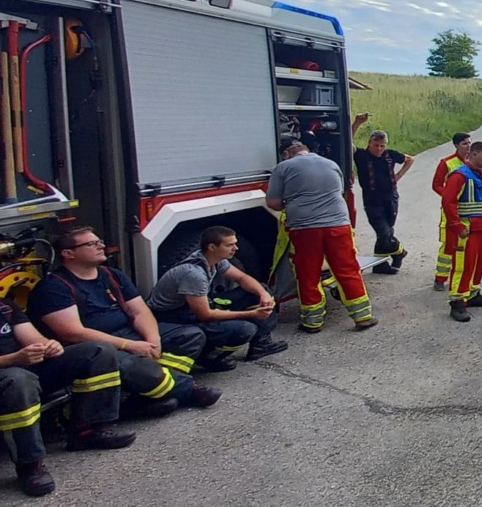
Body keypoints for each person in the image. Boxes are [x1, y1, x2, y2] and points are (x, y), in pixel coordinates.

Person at [28, 227, 220, 416]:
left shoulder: (112, 275)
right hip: (97, 346)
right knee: (136, 366)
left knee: (189, 336)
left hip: (128, 333)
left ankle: (145, 397)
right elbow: (73, 332)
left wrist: (154, 340)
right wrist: (130, 345)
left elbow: (140, 311)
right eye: (91, 244)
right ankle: (188, 390)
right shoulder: (54, 287)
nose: (100, 246)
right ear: (68, 253)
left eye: (99, 241)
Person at [0, 299, 135, 497]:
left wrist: (49, 346)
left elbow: (33, 338)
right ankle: (30, 465)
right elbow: (15, 362)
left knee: (98, 351)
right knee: (18, 381)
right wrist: (13, 359)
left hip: (23, 367)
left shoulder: (5, 306)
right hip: (12, 376)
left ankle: (87, 430)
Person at [267, 135, 377, 332]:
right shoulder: (331, 164)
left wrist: (292, 201)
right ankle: (363, 317)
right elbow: (339, 189)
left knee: (308, 273)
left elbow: (273, 203)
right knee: (347, 269)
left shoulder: (282, 168)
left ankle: (312, 322)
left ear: (286, 154)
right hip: (339, 225)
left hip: (305, 228)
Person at [146, 226, 288, 372]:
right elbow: (204, 315)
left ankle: (261, 345)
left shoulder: (214, 259)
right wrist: (251, 314)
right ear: (212, 247)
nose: (236, 248)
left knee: (260, 290)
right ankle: (206, 356)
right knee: (243, 329)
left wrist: (263, 294)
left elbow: (241, 277)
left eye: (235, 243)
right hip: (172, 316)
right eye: (230, 245)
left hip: (195, 305)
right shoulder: (193, 274)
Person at [441, 141, 482, 322]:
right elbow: (448, 202)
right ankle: (457, 303)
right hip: (466, 231)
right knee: (463, 266)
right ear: (473, 154)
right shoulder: (459, 175)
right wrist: (458, 227)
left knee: (480, 262)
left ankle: (473, 294)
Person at [351, 125, 414, 275]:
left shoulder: (390, 154)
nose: (379, 149)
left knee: (387, 230)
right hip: (372, 199)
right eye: (376, 145)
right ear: (369, 143)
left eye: (382, 146)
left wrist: (398, 176)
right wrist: (356, 123)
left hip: (391, 197)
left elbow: (410, 159)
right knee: (384, 232)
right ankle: (399, 252)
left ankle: (381, 264)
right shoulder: (361, 155)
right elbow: (347, 141)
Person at [431, 132, 472, 291]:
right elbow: (436, 184)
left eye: (469, 143)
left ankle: (461, 278)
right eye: (464, 143)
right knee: (449, 245)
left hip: (469, 211)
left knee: (467, 246)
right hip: (451, 210)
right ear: (456, 146)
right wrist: (450, 196)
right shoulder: (447, 163)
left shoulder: (474, 162)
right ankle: (440, 278)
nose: (468, 146)